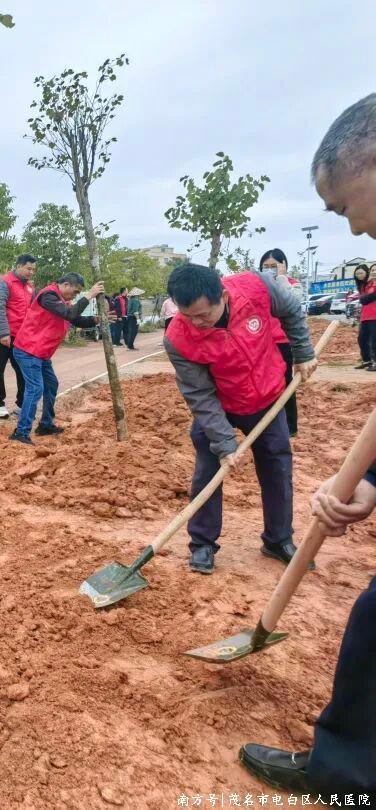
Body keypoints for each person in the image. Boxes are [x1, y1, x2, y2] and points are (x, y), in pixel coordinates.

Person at [239, 90, 376, 799]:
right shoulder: (182, 336)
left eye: (344, 204)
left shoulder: (267, 296)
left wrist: (301, 360)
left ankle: (347, 774)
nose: (353, 227)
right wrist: (372, 482)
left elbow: (294, 326)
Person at [163, 263, 315, 575]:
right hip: (218, 404)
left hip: (267, 397)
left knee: (277, 467)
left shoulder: (257, 287)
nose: (196, 323)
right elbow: (200, 394)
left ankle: (278, 539)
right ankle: (202, 543)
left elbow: (291, 311)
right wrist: (224, 441)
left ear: (223, 296)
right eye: (188, 316)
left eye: (203, 315)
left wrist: (303, 352)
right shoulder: (177, 337)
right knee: (208, 470)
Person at [9, 273, 108, 445]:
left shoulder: (62, 300)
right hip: (28, 350)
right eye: (75, 291)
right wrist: (89, 296)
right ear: (66, 285)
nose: (75, 295)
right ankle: (21, 432)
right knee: (35, 389)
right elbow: (69, 314)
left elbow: (75, 318)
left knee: (51, 385)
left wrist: (96, 320)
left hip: (41, 353)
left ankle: (45, 425)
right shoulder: (48, 295)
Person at [260, 248, 304, 436]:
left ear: (283, 265)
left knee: (285, 383)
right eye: (265, 266)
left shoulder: (293, 285)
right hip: (262, 342)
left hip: (283, 342)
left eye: (274, 266)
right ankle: (269, 423)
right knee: (264, 383)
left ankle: (290, 426)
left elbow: (292, 304)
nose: (269, 269)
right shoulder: (258, 286)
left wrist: (281, 279)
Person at [0, 254, 36, 419]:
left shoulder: (29, 287)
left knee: (22, 368)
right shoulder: (3, 283)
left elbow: (31, 310)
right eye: (29, 268)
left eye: (33, 269)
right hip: (3, 334)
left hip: (21, 335)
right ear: (19, 266)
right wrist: (3, 333)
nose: (31, 272)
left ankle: (22, 404)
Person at [353, 263, 376, 370]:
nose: (374, 272)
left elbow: (366, 298)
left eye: (361, 273)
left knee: (374, 340)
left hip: (374, 316)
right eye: (373, 270)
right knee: (362, 339)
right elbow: (363, 299)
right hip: (366, 315)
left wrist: (365, 298)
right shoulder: (366, 284)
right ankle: (367, 360)